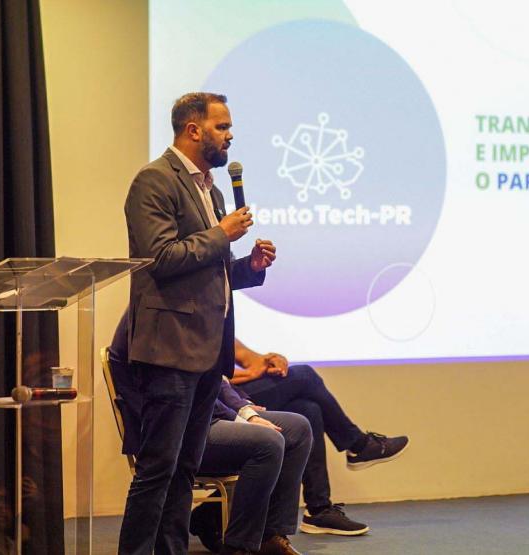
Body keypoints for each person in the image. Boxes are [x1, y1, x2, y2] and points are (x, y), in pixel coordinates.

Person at [119, 92, 277, 555]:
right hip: (169, 350)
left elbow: (213, 272)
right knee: (158, 470)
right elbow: (161, 258)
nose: (230, 135)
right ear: (194, 130)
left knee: (186, 468)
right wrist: (220, 233)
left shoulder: (211, 189)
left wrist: (249, 265)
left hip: (209, 351)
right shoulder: (153, 181)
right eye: (222, 127)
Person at [109, 313, 310, 555]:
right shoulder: (158, 319)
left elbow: (217, 383)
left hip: (203, 418)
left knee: (298, 427)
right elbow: (180, 393)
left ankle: (269, 535)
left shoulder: (192, 315)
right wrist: (244, 418)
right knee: (268, 443)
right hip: (171, 429)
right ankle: (239, 546)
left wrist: (244, 409)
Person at [230, 339, 410, 536]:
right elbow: (206, 377)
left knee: (308, 409)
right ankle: (358, 445)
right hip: (220, 400)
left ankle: (319, 510)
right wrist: (248, 374)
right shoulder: (195, 317)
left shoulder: (218, 314)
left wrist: (268, 361)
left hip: (236, 391)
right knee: (305, 375)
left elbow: (246, 357)